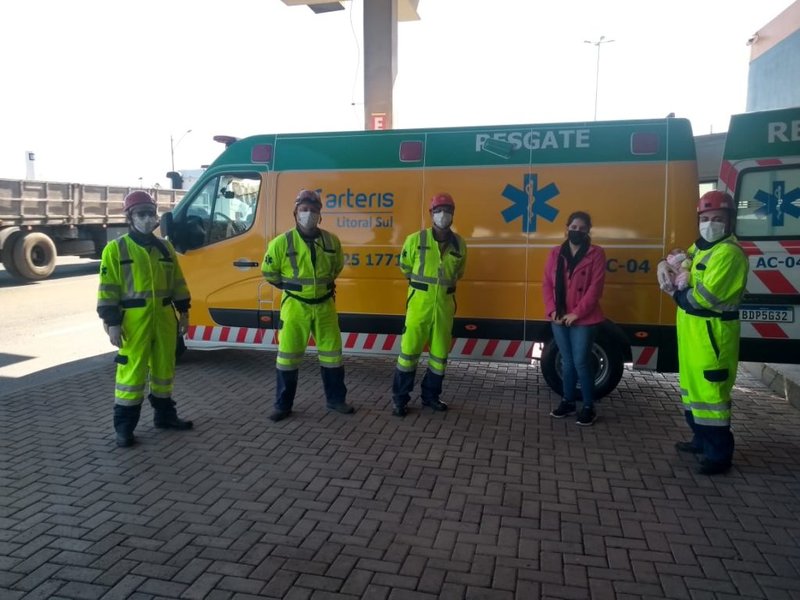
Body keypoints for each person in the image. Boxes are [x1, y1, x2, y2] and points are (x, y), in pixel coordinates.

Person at [657, 190, 748, 475]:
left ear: (730, 221)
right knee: (693, 390)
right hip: (694, 335)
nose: (710, 224)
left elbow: (700, 299)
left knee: (712, 396)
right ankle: (700, 439)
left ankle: (719, 455)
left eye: (718, 218)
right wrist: (665, 264)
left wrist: (675, 293)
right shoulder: (702, 248)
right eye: (705, 219)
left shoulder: (728, 253)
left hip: (713, 334)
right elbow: (682, 261)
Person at [97, 190, 194, 448]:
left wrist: (184, 312)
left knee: (164, 370)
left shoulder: (165, 248)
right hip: (132, 322)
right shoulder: (115, 250)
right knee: (131, 375)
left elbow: (178, 283)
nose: (148, 218)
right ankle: (124, 428)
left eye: (151, 213)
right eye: (141, 213)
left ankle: (165, 416)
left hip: (164, 319)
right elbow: (107, 291)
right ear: (129, 217)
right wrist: (112, 323)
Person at [261, 189, 354, 422]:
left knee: (333, 356)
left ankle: (336, 400)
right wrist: (291, 287)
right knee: (287, 357)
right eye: (304, 209)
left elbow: (336, 268)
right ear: (295, 213)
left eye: (313, 210)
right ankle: (283, 405)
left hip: (325, 306)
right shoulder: (281, 243)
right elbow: (269, 271)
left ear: (320, 214)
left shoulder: (331, 241)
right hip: (295, 306)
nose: (309, 214)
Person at [391, 192, 468, 417]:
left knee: (439, 356)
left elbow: (459, 273)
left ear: (453, 214)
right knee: (408, 355)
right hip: (419, 307)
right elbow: (405, 267)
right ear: (431, 213)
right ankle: (400, 400)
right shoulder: (415, 239)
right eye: (438, 210)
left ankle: (431, 396)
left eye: (447, 210)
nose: (443, 214)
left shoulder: (460, 244)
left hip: (444, 308)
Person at [542, 211, 606, 426]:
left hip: (584, 319)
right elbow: (546, 284)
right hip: (559, 317)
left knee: (581, 362)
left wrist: (576, 313)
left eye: (581, 228)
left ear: (588, 231)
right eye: (573, 227)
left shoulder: (596, 253)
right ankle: (568, 402)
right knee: (567, 362)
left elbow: (595, 289)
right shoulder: (555, 253)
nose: (577, 231)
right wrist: (552, 310)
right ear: (567, 228)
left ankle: (588, 406)